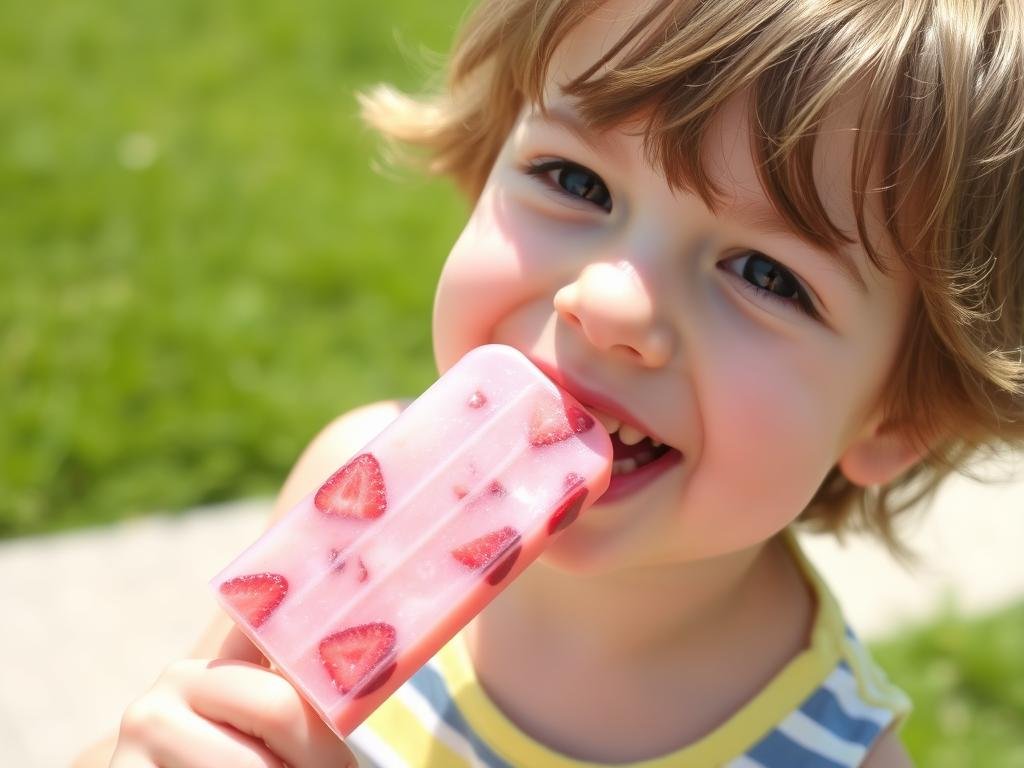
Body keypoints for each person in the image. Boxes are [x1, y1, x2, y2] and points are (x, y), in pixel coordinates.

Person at [77, 0, 1024, 765]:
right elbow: (170, 730)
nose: (608, 301)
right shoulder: (354, 481)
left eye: (767, 276)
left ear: (900, 415)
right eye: (574, 180)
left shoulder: (832, 754)